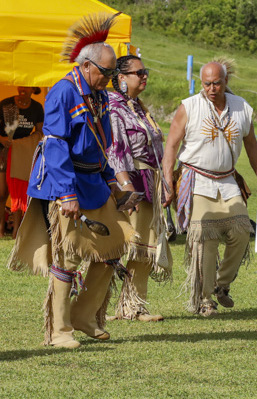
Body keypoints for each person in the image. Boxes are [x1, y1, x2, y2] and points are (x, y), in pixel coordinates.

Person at [7, 13, 137, 348]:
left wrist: (114, 183)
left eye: (113, 73)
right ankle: (59, 330)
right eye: (106, 72)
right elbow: (55, 144)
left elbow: (101, 146)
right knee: (67, 255)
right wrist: (66, 193)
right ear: (88, 65)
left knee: (114, 246)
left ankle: (83, 315)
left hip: (93, 180)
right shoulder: (63, 93)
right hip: (65, 182)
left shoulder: (100, 96)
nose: (110, 78)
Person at [162, 59, 257, 317]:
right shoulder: (189, 107)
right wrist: (168, 179)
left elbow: (252, 148)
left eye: (216, 83)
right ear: (201, 83)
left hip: (227, 180)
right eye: (206, 84)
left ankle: (220, 285)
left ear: (226, 82)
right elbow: (170, 145)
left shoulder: (241, 108)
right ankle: (204, 300)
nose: (211, 88)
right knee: (205, 237)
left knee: (241, 230)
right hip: (197, 179)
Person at [106, 55, 172, 322]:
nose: (144, 76)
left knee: (144, 245)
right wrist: (126, 189)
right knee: (120, 245)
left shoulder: (138, 106)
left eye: (145, 72)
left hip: (148, 180)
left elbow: (157, 148)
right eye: (138, 73)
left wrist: (165, 182)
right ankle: (95, 306)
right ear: (121, 78)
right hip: (127, 180)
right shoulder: (113, 107)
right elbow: (116, 150)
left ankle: (133, 306)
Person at [0, 86, 45, 237]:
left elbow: (40, 132)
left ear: (33, 89)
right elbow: (6, 134)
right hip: (3, 152)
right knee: (2, 193)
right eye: (21, 85)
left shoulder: (36, 107)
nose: (22, 89)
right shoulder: (7, 104)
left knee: (18, 192)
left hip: (21, 153)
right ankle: (0, 230)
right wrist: (2, 139)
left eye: (27, 86)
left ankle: (16, 231)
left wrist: (21, 144)